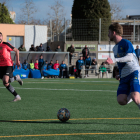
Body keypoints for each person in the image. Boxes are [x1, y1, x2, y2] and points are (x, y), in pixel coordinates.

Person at [107, 22, 140, 108]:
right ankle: (134, 93)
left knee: (136, 98)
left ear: (114, 32)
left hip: (133, 72)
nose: (108, 34)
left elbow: (129, 57)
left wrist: (114, 60)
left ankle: (135, 94)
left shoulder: (126, 42)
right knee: (121, 100)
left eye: (109, 32)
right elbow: (121, 63)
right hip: (124, 76)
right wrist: (120, 74)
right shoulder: (115, 48)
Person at [0, 32, 23, 102]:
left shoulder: (5, 44)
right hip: (0, 66)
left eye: (0, 36)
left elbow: (17, 50)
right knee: (5, 83)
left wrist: (17, 61)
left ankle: (16, 78)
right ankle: (17, 96)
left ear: (2, 37)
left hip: (8, 64)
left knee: (5, 80)